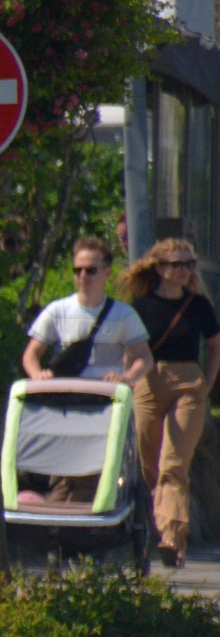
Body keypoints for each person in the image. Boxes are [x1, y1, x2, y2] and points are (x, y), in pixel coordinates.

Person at [120, 237, 220, 567]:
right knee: (151, 465)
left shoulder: (199, 305)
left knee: (174, 464)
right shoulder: (142, 307)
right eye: (176, 264)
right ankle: (154, 525)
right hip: (150, 383)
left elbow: (215, 346)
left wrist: (206, 383)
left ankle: (172, 539)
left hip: (188, 384)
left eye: (189, 264)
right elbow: (131, 350)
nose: (183, 271)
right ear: (160, 268)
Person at [23, 236, 149, 386]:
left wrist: (127, 378)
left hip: (108, 398)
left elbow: (145, 357)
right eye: (77, 270)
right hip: (66, 397)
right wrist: (38, 375)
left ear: (107, 273)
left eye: (90, 270)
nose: (83, 275)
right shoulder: (56, 310)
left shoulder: (124, 314)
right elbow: (31, 354)